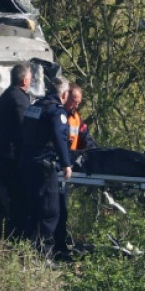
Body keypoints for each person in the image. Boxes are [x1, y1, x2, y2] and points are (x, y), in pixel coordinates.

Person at [19, 76, 72, 258]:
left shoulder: (34, 107)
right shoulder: (57, 111)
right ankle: (44, 255)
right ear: (64, 94)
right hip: (44, 164)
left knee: (33, 208)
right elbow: (60, 138)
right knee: (50, 211)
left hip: (27, 162)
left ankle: (29, 252)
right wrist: (66, 163)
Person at [53, 82, 97, 259]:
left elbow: (88, 141)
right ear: (65, 95)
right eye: (74, 101)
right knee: (54, 210)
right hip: (55, 167)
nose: (76, 105)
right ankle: (54, 248)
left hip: (66, 169)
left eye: (78, 103)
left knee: (62, 210)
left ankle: (60, 246)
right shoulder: (56, 114)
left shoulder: (76, 118)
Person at [0, 63, 34, 237]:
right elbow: (24, 128)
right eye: (30, 78)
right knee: (19, 199)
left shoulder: (8, 96)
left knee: (15, 199)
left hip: (4, 155)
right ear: (24, 80)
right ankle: (18, 236)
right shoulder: (18, 99)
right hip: (12, 158)